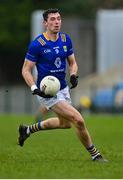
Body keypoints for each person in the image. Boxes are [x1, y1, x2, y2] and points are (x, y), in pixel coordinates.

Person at [18, 8, 107, 162]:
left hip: (63, 88)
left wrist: (73, 75)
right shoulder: (38, 44)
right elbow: (26, 70)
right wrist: (35, 89)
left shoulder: (66, 39)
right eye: (52, 19)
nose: (56, 22)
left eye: (58, 18)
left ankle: (28, 129)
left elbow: (72, 63)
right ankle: (95, 154)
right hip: (47, 92)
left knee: (65, 124)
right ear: (45, 23)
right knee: (78, 119)